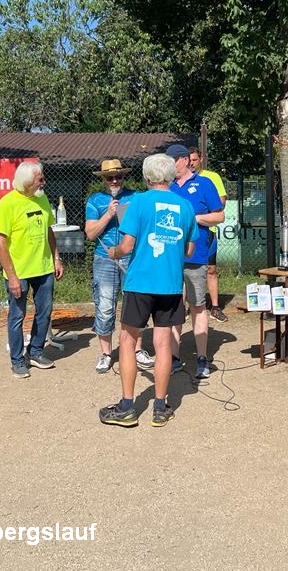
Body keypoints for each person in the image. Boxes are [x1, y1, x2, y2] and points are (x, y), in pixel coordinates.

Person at [98, 153, 197, 427]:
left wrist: (114, 252)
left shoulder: (137, 203)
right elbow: (190, 249)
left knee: (128, 340)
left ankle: (127, 406)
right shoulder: (185, 206)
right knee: (163, 344)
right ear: (171, 175)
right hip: (170, 284)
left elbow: (127, 246)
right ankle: (160, 406)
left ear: (146, 177)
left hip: (140, 283)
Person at [0, 160, 63, 379]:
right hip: (19, 272)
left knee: (45, 311)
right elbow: (0, 242)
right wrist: (12, 276)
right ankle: (17, 360)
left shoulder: (42, 198)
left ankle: (36, 352)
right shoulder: (8, 203)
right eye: (40, 179)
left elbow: (49, 230)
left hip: (43, 268)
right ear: (27, 182)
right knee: (17, 316)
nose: (44, 182)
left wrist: (56, 258)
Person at [84, 158, 154, 374]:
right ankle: (106, 353)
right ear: (103, 179)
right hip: (104, 258)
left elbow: (144, 226)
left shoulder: (136, 197)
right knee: (105, 306)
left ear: (124, 177)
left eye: (119, 176)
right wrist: (108, 214)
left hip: (132, 257)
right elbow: (90, 234)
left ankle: (137, 349)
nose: (115, 181)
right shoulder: (95, 200)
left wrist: (128, 216)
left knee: (136, 303)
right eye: (110, 177)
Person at [167, 144, 225, 379]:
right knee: (173, 306)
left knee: (197, 305)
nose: (170, 165)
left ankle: (202, 358)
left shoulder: (204, 184)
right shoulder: (167, 186)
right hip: (170, 257)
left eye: (173, 160)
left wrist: (194, 218)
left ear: (184, 160)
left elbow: (219, 215)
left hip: (196, 255)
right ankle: (173, 357)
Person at [189, 146, 229, 322]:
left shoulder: (211, 177)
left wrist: (200, 211)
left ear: (201, 160)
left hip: (207, 231)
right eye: (189, 160)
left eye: (194, 160)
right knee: (184, 269)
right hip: (187, 232)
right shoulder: (178, 180)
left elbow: (221, 203)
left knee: (211, 269)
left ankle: (215, 306)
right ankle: (183, 307)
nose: (191, 163)